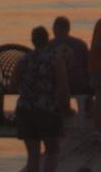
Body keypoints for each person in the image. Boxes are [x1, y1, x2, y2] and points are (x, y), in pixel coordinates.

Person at [13, 26, 69, 172]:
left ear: (32, 40)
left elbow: (12, 86)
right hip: (46, 109)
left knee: (33, 154)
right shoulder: (55, 60)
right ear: (47, 40)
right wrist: (63, 108)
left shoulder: (22, 60)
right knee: (52, 152)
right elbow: (62, 88)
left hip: (25, 109)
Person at [50, 16, 90, 115]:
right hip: (78, 85)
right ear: (68, 29)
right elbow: (88, 67)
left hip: (54, 86)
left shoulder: (48, 45)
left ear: (55, 29)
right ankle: (85, 113)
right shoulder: (80, 44)